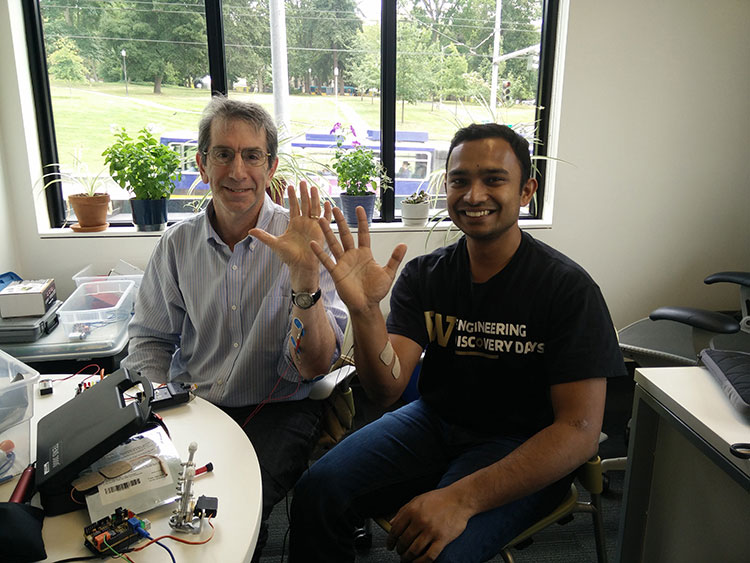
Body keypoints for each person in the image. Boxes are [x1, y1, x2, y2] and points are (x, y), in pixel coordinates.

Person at [290, 123, 626, 562]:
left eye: (493, 179)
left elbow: (579, 432)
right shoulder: (425, 276)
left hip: (522, 446)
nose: (473, 195)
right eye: (460, 180)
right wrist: (366, 311)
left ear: (526, 191)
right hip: (434, 422)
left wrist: (461, 498)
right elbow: (386, 388)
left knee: (437, 552)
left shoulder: (567, 290)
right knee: (317, 491)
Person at [122, 96, 348, 561]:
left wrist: (304, 277)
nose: (237, 170)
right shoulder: (177, 244)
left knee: (225, 519)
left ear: (272, 167)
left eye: (252, 155)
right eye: (223, 154)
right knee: (145, 506)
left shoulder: (306, 238)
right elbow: (149, 339)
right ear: (203, 165)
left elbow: (314, 365)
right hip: (189, 407)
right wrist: (159, 407)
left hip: (276, 410)